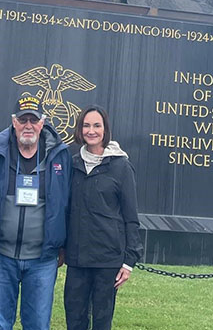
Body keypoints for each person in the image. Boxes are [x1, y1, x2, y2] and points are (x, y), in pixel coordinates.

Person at [0, 93, 71, 330]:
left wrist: (64, 245)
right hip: (1, 256)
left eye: (33, 120)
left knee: (38, 325)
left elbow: (68, 204)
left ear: (42, 122)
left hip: (42, 259)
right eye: (23, 120)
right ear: (14, 122)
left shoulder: (60, 155)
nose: (28, 125)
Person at [64, 105, 143, 330]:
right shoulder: (72, 163)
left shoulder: (121, 166)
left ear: (105, 129)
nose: (91, 131)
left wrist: (129, 261)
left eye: (97, 125)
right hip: (77, 258)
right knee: (74, 319)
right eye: (86, 125)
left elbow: (131, 216)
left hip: (108, 259)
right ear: (80, 129)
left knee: (101, 321)